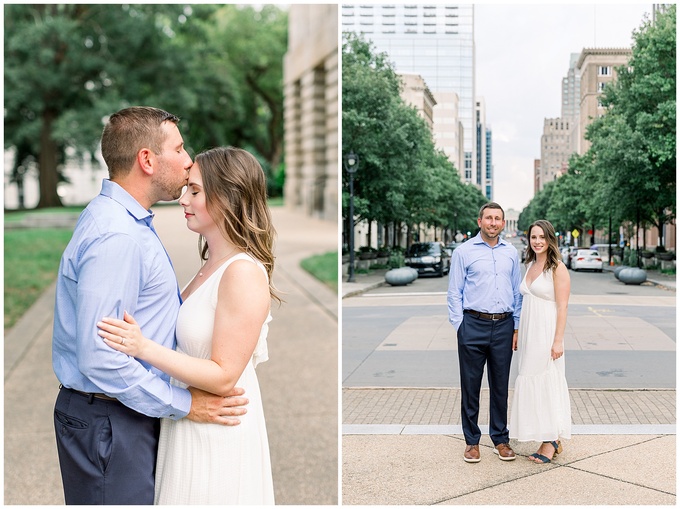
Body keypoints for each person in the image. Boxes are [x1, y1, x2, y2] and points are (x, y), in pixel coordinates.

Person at [52, 107, 248, 505]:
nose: (188, 159)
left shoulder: (123, 221)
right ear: (147, 160)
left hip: (120, 414)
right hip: (111, 419)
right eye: (178, 148)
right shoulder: (117, 236)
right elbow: (101, 359)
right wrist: (185, 405)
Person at [97, 146, 277, 504]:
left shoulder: (242, 272)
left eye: (195, 191)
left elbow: (225, 375)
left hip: (217, 433)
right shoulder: (210, 263)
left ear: (228, 196)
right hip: (188, 421)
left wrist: (143, 347)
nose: (183, 199)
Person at [447, 202, 523, 463]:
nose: (493, 223)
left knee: (500, 386)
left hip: (503, 326)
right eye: (488, 218)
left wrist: (516, 325)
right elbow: (454, 292)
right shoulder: (463, 252)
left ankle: (500, 439)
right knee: (471, 387)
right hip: (472, 325)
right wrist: (460, 326)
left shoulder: (511, 253)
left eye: (497, 219)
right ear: (479, 221)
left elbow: (517, 292)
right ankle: (471, 442)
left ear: (503, 223)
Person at [509, 219, 571, 463]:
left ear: (550, 239)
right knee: (529, 377)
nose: (537, 241)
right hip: (528, 332)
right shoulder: (530, 264)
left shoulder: (558, 268)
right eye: (533, 237)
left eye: (542, 237)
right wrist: (516, 332)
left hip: (547, 332)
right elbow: (524, 301)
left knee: (547, 381)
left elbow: (563, 307)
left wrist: (558, 341)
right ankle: (543, 433)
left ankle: (551, 440)